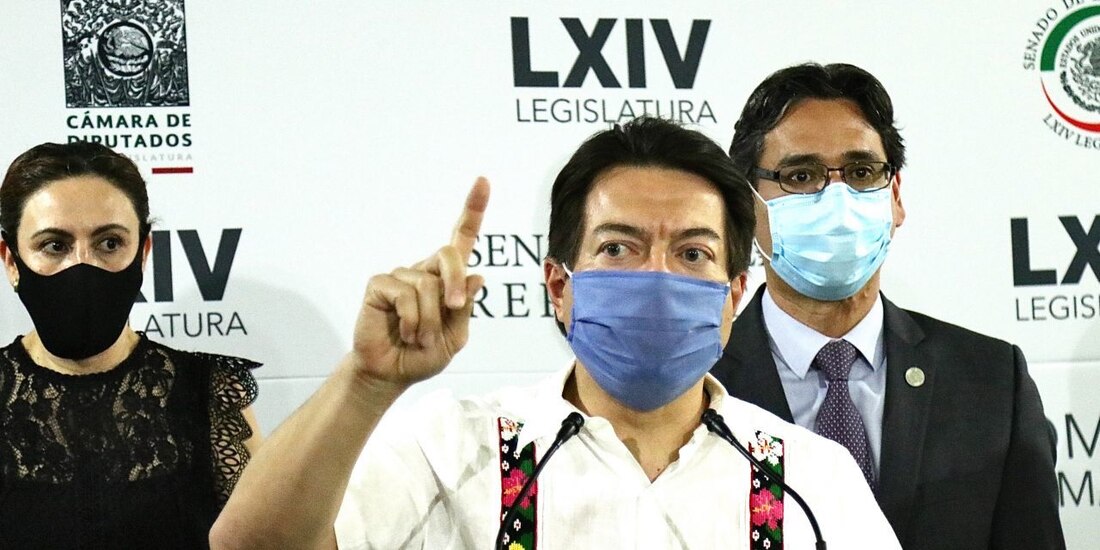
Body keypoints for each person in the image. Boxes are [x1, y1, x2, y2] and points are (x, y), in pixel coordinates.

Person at [210, 117, 901, 549]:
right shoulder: (451, 447)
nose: (656, 278)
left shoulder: (812, 478)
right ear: (559, 286)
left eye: (692, 253)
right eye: (618, 248)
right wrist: (365, 382)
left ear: (734, 297)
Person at [710, 63, 1065, 549]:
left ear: (895, 197)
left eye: (861, 173)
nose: (836, 199)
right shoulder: (699, 384)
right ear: (748, 207)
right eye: (801, 175)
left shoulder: (992, 380)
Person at [0, 142, 262, 549]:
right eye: (55, 245)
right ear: (11, 261)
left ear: (143, 253)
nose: (82, 265)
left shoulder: (209, 392)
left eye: (109, 243)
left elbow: (274, 538)